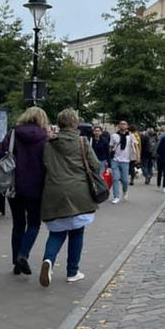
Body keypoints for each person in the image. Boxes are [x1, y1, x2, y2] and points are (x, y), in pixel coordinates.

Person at [39, 109, 100, 287]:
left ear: (59, 123)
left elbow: (43, 165)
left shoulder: (49, 144)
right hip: (79, 192)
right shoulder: (82, 142)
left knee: (56, 232)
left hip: (54, 190)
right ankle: (72, 271)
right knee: (77, 231)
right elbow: (95, 165)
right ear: (76, 123)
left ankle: (48, 260)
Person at [0, 107, 49, 276]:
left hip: (14, 185)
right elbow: (48, 162)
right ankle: (23, 254)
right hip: (36, 187)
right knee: (34, 223)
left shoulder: (13, 134)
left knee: (18, 223)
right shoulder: (45, 138)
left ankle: (16, 263)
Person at [109, 120, 135, 204]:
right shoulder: (114, 135)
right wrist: (109, 158)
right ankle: (116, 196)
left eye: (124, 124)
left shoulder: (131, 136)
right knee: (115, 178)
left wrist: (137, 157)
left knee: (125, 180)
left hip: (125, 160)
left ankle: (125, 191)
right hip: (115, 159)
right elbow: (111, 146)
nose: (122, 125)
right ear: (118, 126)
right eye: (121, 124)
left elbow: (135, 146)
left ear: (127, 126)